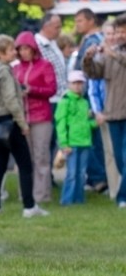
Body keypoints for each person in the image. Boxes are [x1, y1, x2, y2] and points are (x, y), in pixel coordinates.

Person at [0, 35, 49, 218]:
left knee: (0, 165)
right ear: (2, 53)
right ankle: (29, 206)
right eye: (11, 49)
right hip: (8, 121)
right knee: (25, 164)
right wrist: (22, 123)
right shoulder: (5, 71)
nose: (15, 52)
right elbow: (11, 100)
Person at [83, 15, 126, 207]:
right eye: (118, 31)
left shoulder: (114, 53)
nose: (119, 35)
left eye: (123, 31)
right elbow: (93, 73)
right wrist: (88, 59)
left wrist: (111, 52)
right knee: (118, 159)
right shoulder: (110, 53)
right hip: (114, 113)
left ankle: (122, 197)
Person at [13, 31, 57, 204]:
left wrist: (33, 90)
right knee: (24, 157)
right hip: (21, 117)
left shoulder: (45, 65)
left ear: (33, 49)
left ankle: (42, 195)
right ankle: (25, 193)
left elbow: (51, 89)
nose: (23, 52)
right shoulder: (15, 68)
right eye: (20, 49)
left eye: (26, 48)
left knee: (41, 157)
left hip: (41, 116)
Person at [73, 8, 108, 192]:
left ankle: (99, 178)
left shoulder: (95, 41)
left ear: (91, 21)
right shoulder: (86, 40)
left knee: (93, 138)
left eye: (80, 21)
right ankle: (95, 176)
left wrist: (84, 97)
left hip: (89, 96)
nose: (76, 25)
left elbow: (93, 74)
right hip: (86, 96)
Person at [55, 71, 96, 205]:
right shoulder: (65, 101)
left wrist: (96, 123)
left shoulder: (84, 102)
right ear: (69, 84)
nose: (78, 86)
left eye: (80, 83)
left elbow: (86, 123)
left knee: (81, 173)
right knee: (71, 174)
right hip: (71, 143)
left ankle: (79, 199)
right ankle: (67, 200)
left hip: (85, 142)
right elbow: (60, 123)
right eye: (74, 83)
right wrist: (64, 143)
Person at [89, 21, 119, 200]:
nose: (112, 36)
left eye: (114, 33)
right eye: (108, 33)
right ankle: (115, 190)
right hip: (105, 110)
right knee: (110, 152)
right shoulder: (98, 56)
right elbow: (92, 87)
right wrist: (97, 111)